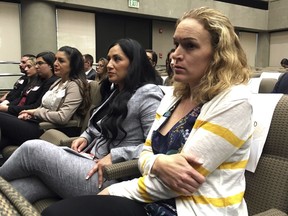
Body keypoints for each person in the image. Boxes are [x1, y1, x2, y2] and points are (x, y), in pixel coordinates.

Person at [42, 7, 253, 216]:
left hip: (192, 208)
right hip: (153, 198)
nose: (175, 56)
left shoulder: (234, 101)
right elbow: (145, 153)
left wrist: (114, 191)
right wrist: (158, 162)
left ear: (219, 54)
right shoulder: (174, 96)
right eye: (176, 44)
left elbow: (180, 181)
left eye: (190, 46)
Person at [0, 38, 164, 204]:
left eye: (117, 59)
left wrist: (116, 156)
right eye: (109, 59)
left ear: (134, 63)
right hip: (89, 160)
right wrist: (85, 137)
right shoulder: (117, 90)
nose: (109, 65)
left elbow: (158, 147)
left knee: (32, 148)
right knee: (18, 189)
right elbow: (97, 127)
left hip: (111, 176)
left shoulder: (148, 94)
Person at [0, 46, 90, 149]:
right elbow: (43, 107)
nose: (55, 63)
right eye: (56, 59)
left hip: (48, 129)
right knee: (4, 139)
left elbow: (62, 117)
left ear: (73, 65)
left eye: (61, 61)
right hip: (37, 123)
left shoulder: (74, 85)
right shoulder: (58, 82)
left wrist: (35, 113)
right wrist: (30, 114)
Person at [0, 52, 58, 116]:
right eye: (36, 64)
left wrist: (8, 108)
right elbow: (21, 98)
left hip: (28, 115)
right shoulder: (36, 80)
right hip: (18, 111)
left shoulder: (52, 82)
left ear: (50, 65)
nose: (36, 66)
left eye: (40, 63)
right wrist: (6, 105)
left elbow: (37, 106)